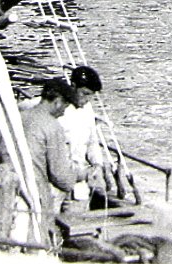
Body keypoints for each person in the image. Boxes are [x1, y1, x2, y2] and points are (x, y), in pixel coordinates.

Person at [59, 65, 128, 208]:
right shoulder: (59, 110)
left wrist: (97, 164)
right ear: (73, 86)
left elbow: (92, 141)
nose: (87, 99)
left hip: (79, 181)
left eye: (91, 95)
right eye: (84, 94)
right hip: (58, 180)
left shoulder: (87, 109)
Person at [18, 78, 80, 224]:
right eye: (65, 107)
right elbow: (60, 175)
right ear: (57, 102)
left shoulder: (18, 117)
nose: (63, 113)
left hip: (11, 186)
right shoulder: (52, 126)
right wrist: (77, 177)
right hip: (34, 194)